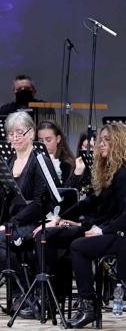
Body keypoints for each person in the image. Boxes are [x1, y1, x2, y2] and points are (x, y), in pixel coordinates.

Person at [0, 112, 53, 298]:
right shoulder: (9, 161)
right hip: (10, 221)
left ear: (31, 134)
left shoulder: (39, 161)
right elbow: (4, 198)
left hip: (30, 222)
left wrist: (11, 223)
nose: (14, 138)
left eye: (19, 133)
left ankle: (21, 291)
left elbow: (40, 203)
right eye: (11, 134)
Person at [63, 123, 126, 328]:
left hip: (121, 235)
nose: (101, 144)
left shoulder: (123, 174)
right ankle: (56, 300)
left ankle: (89, 307)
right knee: (63, 236)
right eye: (101, 140)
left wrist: (102, 230)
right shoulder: (108, 171)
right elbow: (89, 202)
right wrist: (60, 217)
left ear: (119, 143)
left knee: (78, 246)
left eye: (107, 140)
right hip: (110, 229)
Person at [37, 120, 86, 188]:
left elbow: (66, 192)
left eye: (48, 140)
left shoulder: (67, 164)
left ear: (58, 139)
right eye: (41, 141)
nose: (44, 144)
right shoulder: (36, 160)